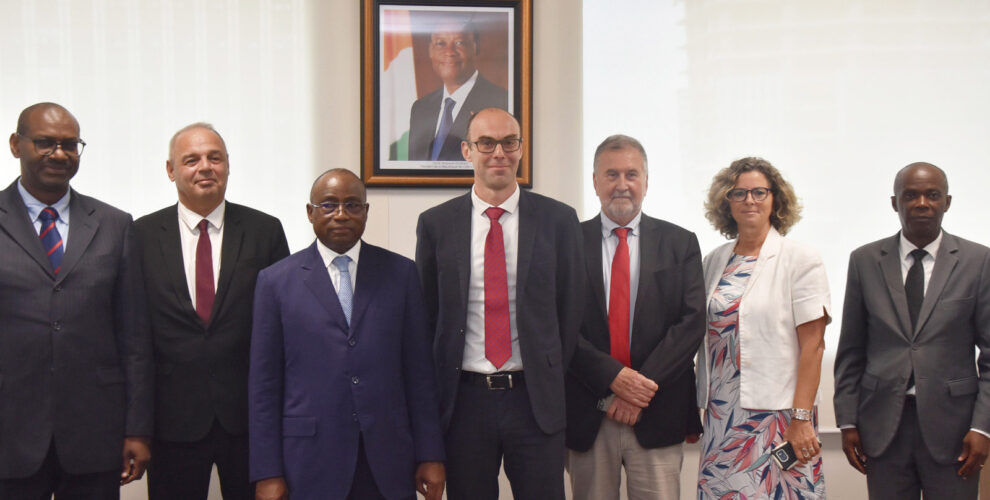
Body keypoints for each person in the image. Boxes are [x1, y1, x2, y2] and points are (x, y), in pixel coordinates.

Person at [415, 107, 584, 499]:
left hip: (534, 400)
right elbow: (427, 317)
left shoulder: (559, 221)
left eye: (510, 142)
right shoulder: (436, 224)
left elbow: (572, 311)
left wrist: (549, 375)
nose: (499, 153)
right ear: (466, 151)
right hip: (464, 402)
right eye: (486, 143)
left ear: (521, 149)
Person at [249, 169, 445, 500]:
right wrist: (268, 471)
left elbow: (420, 375)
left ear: (366, 213)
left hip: (388, 459)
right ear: (310, 213)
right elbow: (264, 386)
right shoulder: (275, 282)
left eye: (353, 205)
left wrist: (431, 454)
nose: (341, 214)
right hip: (309, 461)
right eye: (329, 205)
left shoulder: (401, 274)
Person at [0, 102, 152, 497]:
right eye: (45, 143)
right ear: (16, 145)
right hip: (9, 434)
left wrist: (137, 428)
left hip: (94, 435)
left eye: (70, 144)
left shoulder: (115, 225)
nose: (59, 154)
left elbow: (134, 338)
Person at [133, 123, 290, 499]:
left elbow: (285, 330)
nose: (205, 167)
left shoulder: (264, 231)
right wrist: (136, 426)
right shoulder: (139, 235)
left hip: (250, 422)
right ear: (171, 170)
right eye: (191, 160)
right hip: (172, 423)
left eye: (214, 158)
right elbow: (134, 335)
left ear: (228, 166)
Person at [834, 162, 990, 499]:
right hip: (883, 427)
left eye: (932, 195)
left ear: (947, 202)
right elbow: (851, 350)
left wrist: (982, 427)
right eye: (911, 195)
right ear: (895, 203)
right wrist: (847, 421)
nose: (922, 203)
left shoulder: (979, 261)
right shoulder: (864, 261)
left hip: (956, 430)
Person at [565, 134, 705, 500]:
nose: (622, 184)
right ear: (595, 181)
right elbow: (558, 326)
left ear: (646, 180)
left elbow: (691, 323)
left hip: (657, 412)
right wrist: (612, 380)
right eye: (611, 174)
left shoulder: (681, 242)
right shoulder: (566, 242)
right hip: (590, 412)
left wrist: (636, 390)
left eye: (632, 174)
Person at [696, 157, 830, 498]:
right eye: (738, 193)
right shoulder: (714, 261)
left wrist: (801, 419)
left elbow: (813, 346)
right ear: (726, 202)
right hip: (722, 417)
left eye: (759, 192)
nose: (749, 200)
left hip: (779, 420)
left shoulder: (801, 259)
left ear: (776, 199)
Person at [408, 14, 508, 161]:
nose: (449, 52)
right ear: (430, 50)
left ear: (475, 48)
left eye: (459, 43)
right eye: (441, 43)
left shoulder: (501, 102)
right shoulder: (420, 109)